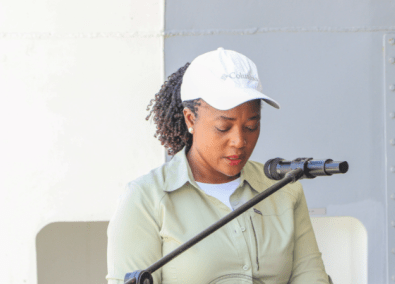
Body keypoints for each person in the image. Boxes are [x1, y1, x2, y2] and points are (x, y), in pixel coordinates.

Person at [106, 47, 330, 284]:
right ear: (190, 119)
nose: (239, 141)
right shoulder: (145, 199)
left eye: (251, 126)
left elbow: (311, 277)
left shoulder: (285, 188)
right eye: (224, 127)